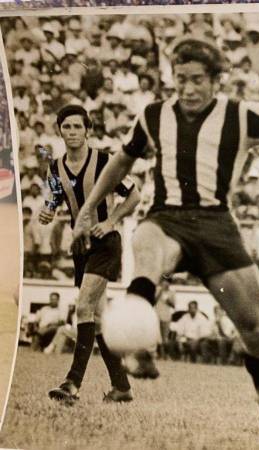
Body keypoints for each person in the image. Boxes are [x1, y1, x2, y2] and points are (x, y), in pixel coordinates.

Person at [72, 38, 259, 450]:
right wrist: (88, 209)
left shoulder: (239, 115)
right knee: (145, 242)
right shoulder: (153, 116)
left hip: (217, 227)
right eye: (181, 80)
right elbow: (122, 160)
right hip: (167, 219)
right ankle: (139, 345)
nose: (188, 89)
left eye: (197, 80)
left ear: (215, 80)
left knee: (257, 332)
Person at [39, 105, 140, 403]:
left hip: (106, 243)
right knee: (96, 317)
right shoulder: (55, 167)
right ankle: (121, 387)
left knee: (83, 308)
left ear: (88, 130)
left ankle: (72, 384)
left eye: (77, 127)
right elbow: (55, 199)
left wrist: (110, 221)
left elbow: (135, 195)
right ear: (59, 130)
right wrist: (48, 211)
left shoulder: (105, 162)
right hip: (80, 248)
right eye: (66, 127)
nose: (71, 132)